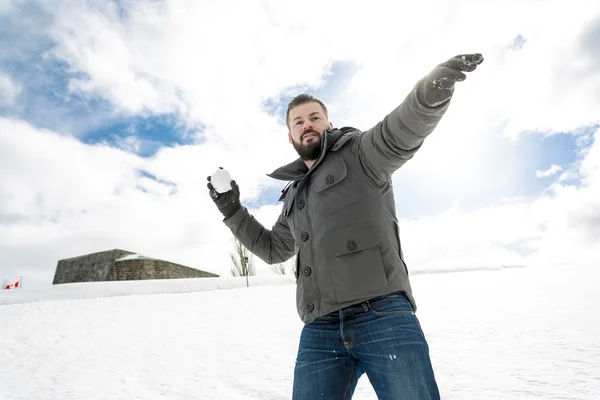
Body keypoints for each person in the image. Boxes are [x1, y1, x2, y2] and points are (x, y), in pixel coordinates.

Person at [207, 53, 484, 400]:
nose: (307, 124)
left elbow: (397, 133)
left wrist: (428, 94)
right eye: (298, 122)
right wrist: (232, 210)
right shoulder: (294, 194)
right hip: (320, 327)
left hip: (382, 314)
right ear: (289, 135)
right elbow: (273, 248)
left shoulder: (360, 154)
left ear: (328, 123)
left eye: (314, 117)